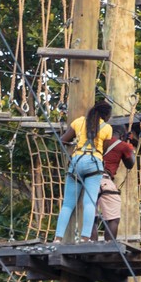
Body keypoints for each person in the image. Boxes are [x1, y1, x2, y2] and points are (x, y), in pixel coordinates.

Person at [52, 100, 112, 243]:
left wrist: (73, 143)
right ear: (106, 115)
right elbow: (104, 149)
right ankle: (85, 238)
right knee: (90, 203)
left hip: (77, 160)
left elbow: (63, 140)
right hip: (94, 163)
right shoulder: (107, 128)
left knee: (67, 204)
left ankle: (57, 238)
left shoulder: (79, 122)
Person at [94, 131, 137, 241]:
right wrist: (129, 146)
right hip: (104, 179)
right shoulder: (122, 145)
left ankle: (90, 244)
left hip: (89, 179)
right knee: (113, 218)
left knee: (92, 216)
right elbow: (130, 164)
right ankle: (109, 245)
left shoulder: (97, 141)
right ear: (121, 135)